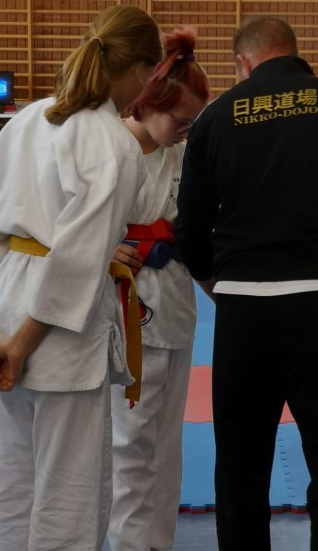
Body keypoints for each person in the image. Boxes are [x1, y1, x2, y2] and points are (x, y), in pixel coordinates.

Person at [174, 16, 318, 551]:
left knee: (241, 468)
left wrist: (217, 282)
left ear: (243, 62)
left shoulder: (217, 116)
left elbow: (190, 228)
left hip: (245, 310)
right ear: (296, 53)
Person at [0, 4, 163, 551]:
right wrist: (20, 346)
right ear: (143, 71)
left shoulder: (29, 117)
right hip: (56, 326)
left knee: (17, 473)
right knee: (70, 485)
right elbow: (79, 259)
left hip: (8, 296)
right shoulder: (112, 143)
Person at [107, 28, 210, 551]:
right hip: (121, 309)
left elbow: (200, 229)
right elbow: (60, 229)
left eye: (193, 123)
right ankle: (128, 543)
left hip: (173, 304)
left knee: (167, 444)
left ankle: (156, 543)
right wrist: (106, 251)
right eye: (180, 120)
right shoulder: (105, 147)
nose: (186, 131)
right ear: (147, 102)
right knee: (130, 443)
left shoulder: (183, 156)